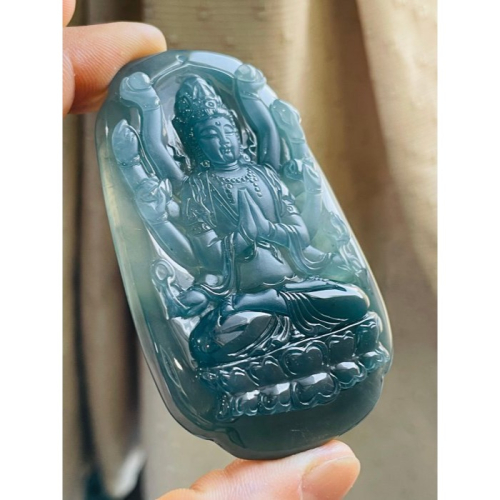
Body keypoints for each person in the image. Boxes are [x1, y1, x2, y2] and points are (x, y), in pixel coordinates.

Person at [64, 0, 360, 498]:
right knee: (209, 343)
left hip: (297, 294)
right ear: (195, 144)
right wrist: (146, 111)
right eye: (209, 136)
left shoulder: (263, 176)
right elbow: (198, 248)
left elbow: (297, 226)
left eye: (226, 132)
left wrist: (278, 232)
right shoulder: (198, 189)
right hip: (243, 304)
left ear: (237, 136)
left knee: (350, 303)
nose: (221, 141)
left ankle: (267, 368)